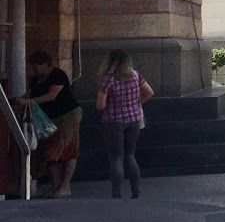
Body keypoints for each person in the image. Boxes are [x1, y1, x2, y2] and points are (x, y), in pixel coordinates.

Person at [19, 50, 81, 198]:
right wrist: (17, 100)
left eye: (36, 66)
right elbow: (29, 93)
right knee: (47, 150)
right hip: (47, 119)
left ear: (46, 64)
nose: (34, 70)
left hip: (67, 115)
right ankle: (57, 185)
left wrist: (29, 102)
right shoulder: (35, 79)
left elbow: (52, 95)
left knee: (67, 148)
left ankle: (65, 186)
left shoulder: (57, 75)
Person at [95, 50, 152, 198]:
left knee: (116, 158)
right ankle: (136, 191)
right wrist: (135, 103)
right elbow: (149, 92)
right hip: (134, 119)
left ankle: (117, 193)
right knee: (130, 155)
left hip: (113, 121)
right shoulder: (135, 75)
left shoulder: (108, 79)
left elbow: (100, 105)